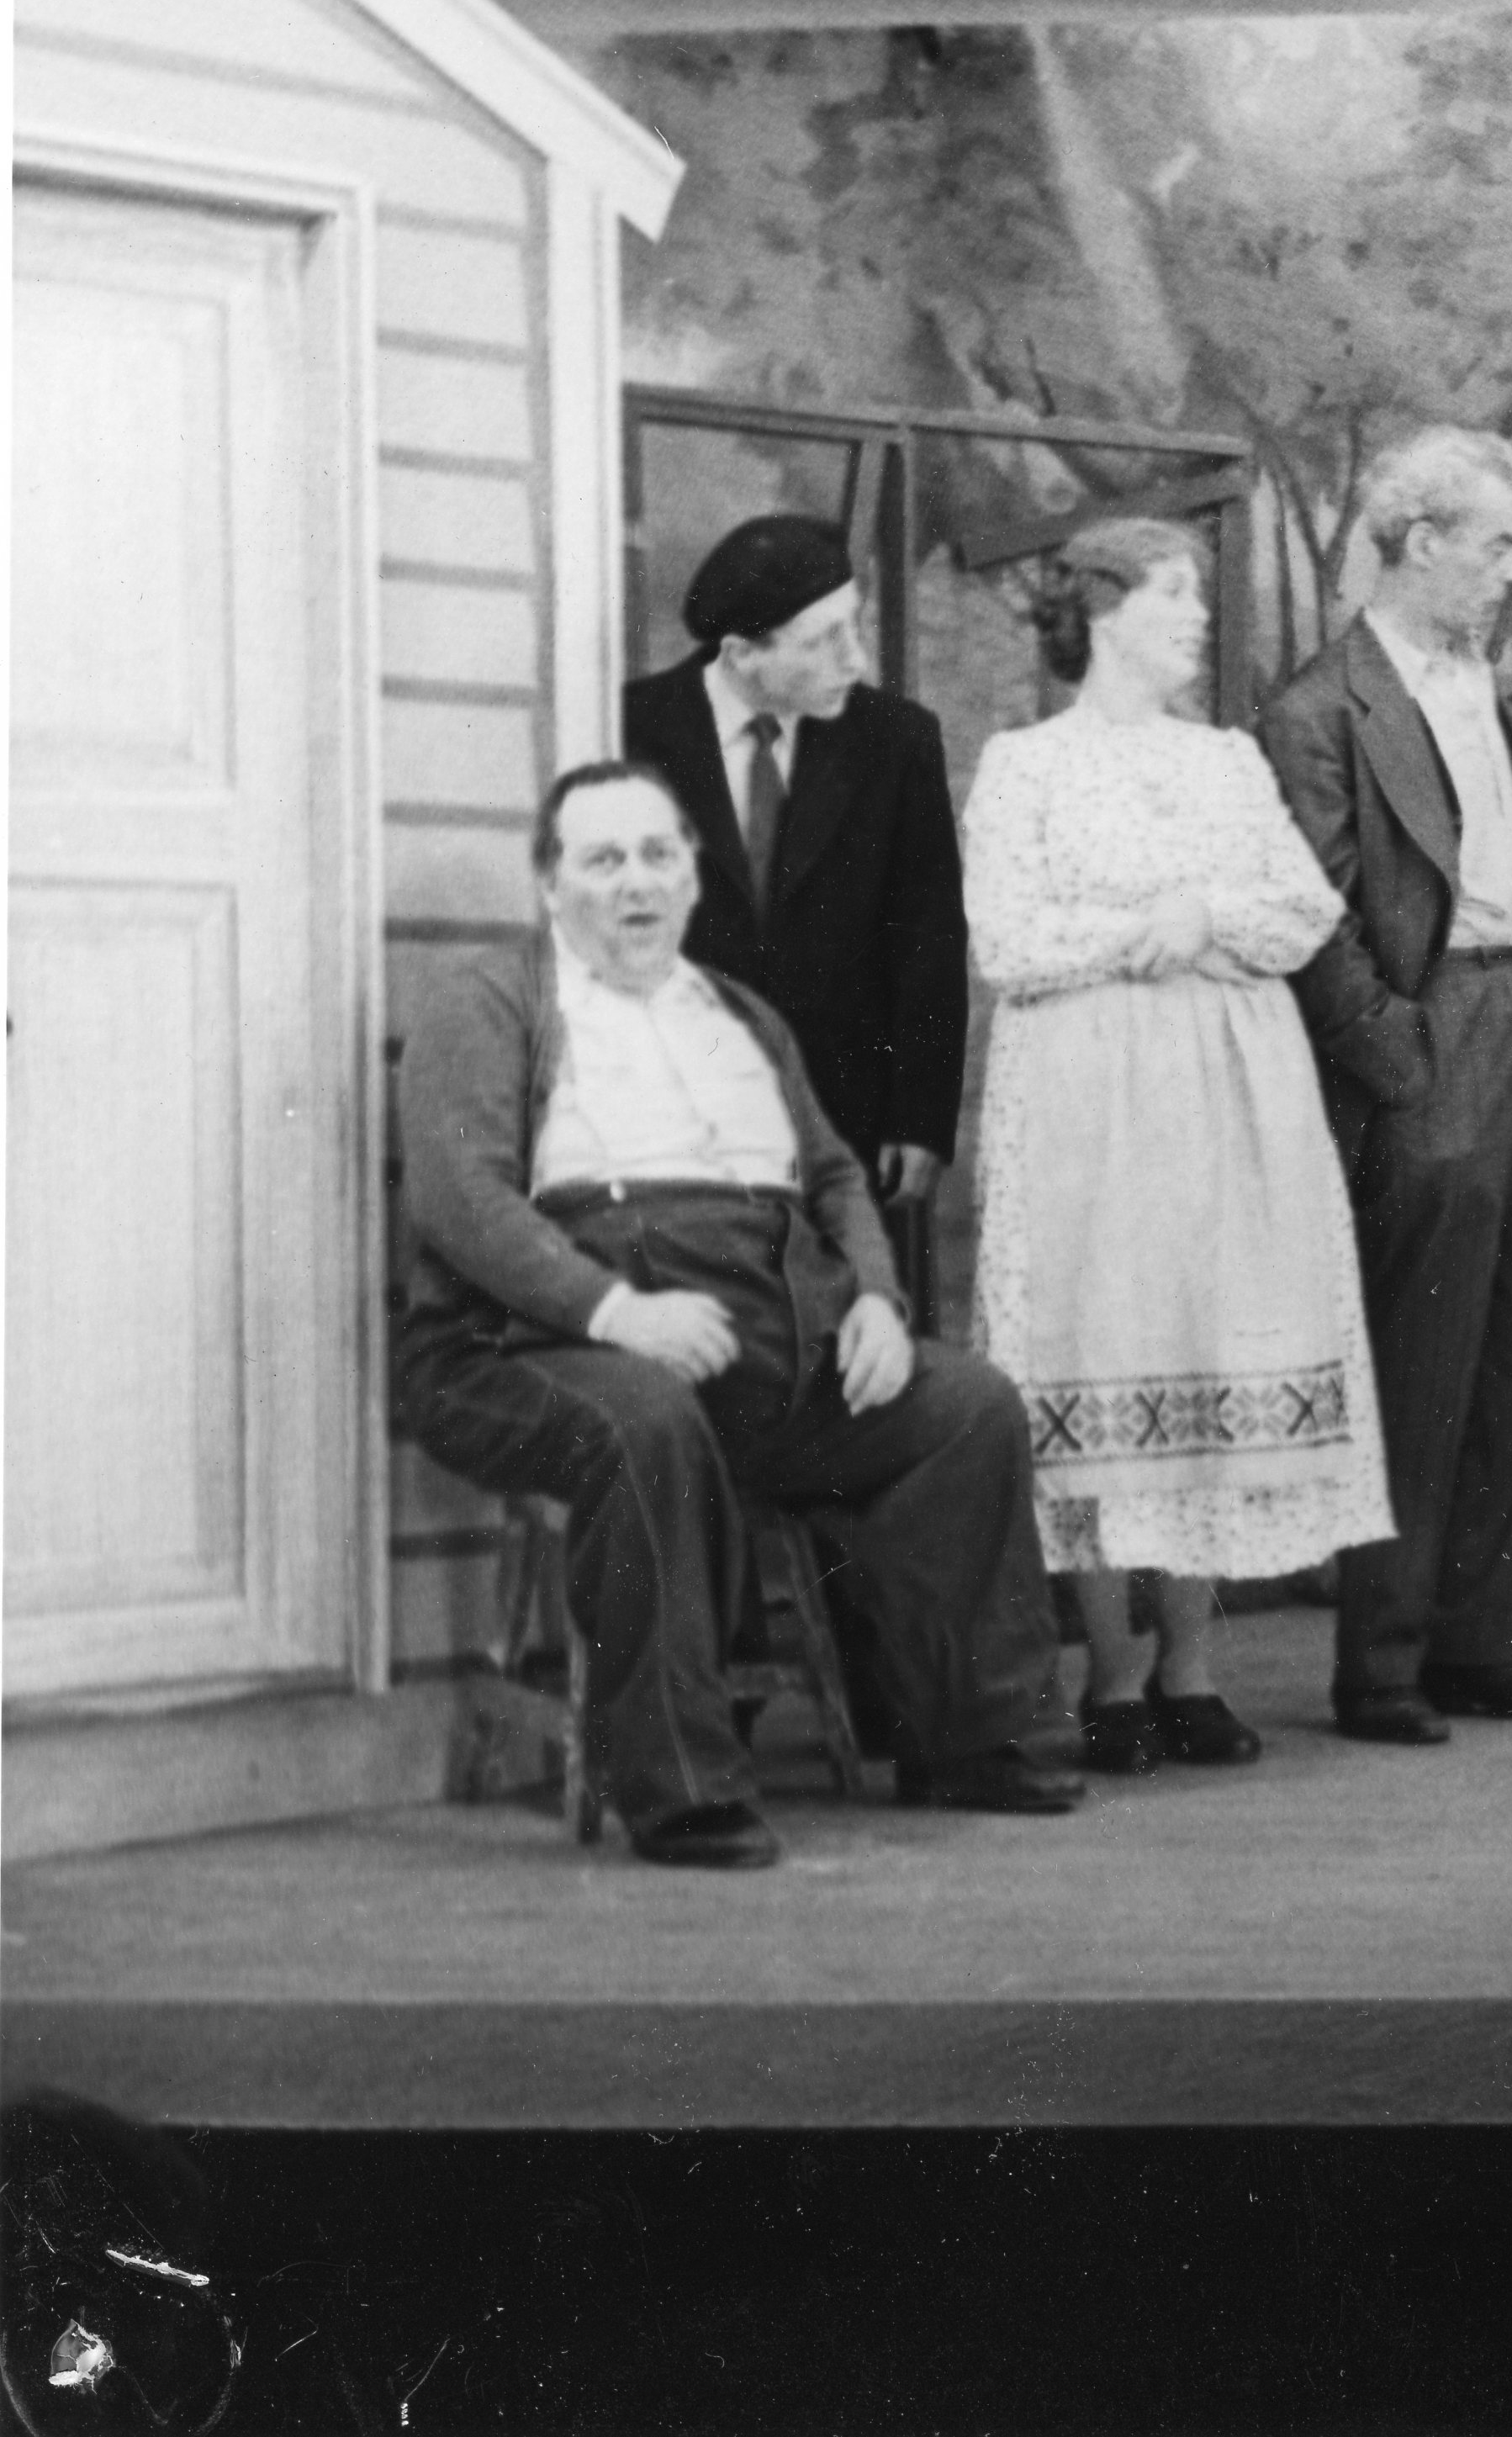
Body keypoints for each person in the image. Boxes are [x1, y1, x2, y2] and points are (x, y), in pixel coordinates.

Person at [392, 762, 1082, 1869]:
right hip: (530, 1341)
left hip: (765, 1335)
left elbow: (835, 1178)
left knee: (966, 1406)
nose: (636, 882)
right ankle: (682, 1787)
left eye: (658, 854)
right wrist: (616, 1311)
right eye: (602, 859)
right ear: (549, 884)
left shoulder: (739, 1014)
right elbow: (460, 1199)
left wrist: (877, 1301)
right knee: (643, 1421)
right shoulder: (491, 1003)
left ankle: (978, 1738)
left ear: (692, 876)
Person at [967, 517, 1395, 1774]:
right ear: (1104, 611)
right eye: (1173, 592)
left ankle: (1191, 1667)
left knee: (1208, 1340)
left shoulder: (1226, 761)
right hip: (1085, 1102)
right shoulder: (1024, 766)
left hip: (1230, 1098)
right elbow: (1008, 939)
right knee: (1105, 1344)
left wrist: (1205, 910)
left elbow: (1303, 907)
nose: (1198, 615)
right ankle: (1108, 1674)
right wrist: (1143, 931)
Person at [1258, 429, 1512, 1747]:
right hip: (1437, 1030)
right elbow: (1313, 922)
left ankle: (1481, 1646)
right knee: (1424, 1353)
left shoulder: (1473, 681)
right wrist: (1404, 1058)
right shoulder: (1314, 711)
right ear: (1417, 543)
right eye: (1495, 546)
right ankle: (1384, 1667)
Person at [619, 515, 969, 1218]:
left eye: (854, 626)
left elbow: (927, 940)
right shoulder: (628, 729)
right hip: (672, 1118)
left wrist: (920, 1116)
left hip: (842, 1125)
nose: (855, 660)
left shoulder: (897, 742)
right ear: (742, 653)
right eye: (823, 640)